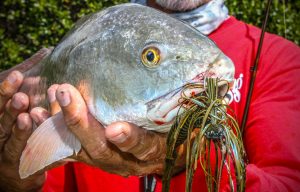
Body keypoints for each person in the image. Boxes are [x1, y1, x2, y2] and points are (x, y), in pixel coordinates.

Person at [0, 0, 299, 191]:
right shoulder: (97, 41)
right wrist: (13, 180)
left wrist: (186, 162)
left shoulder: (281, 60)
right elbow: (40, 179)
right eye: (151, 56)